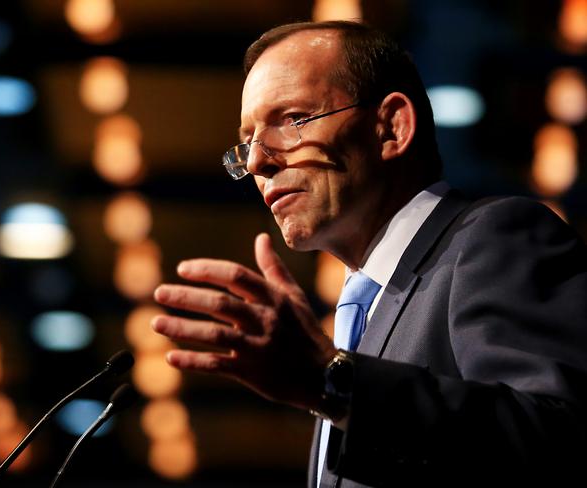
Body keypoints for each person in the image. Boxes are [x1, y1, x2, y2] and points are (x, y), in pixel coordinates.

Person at [151, 20, 587, 487]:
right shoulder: (356, 321)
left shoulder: (494, 239)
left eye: (293, 120)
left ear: (391, 128)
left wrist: (332, 381)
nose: (257, 162)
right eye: (249, 140)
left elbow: (560, 439)